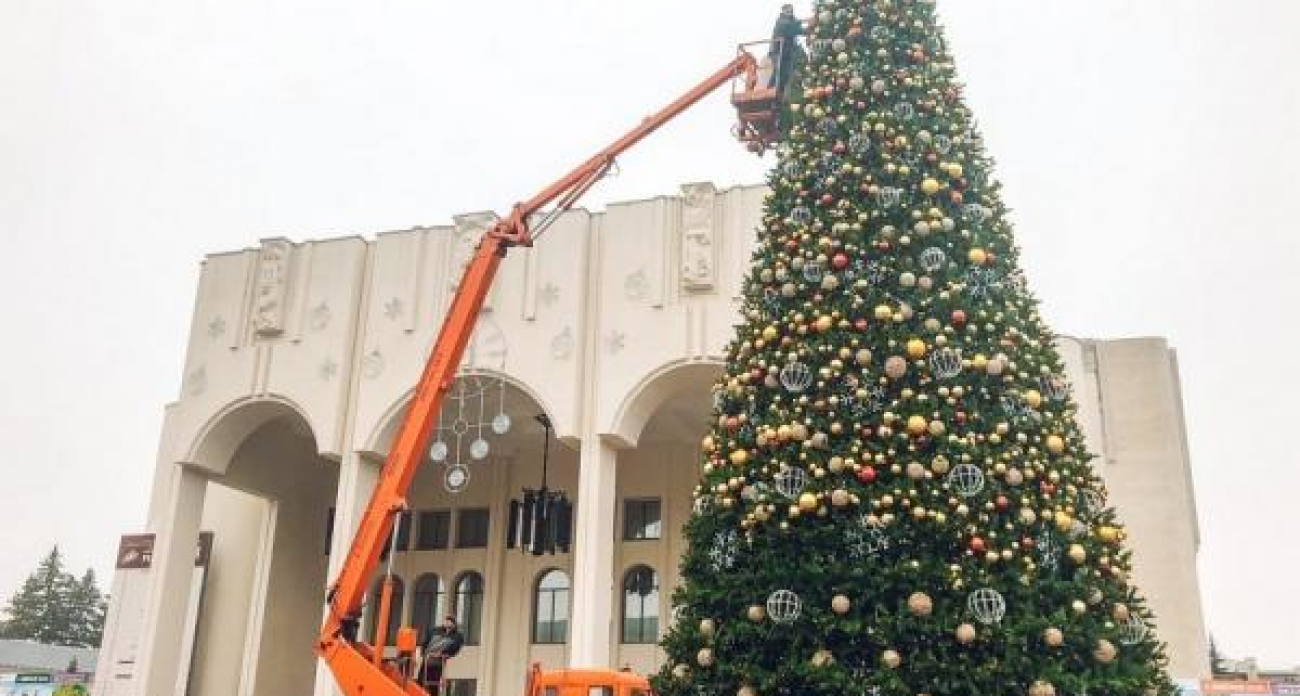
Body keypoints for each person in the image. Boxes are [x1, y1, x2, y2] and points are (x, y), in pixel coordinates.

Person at [420, 616, 465, 693]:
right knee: (421, 681)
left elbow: (455, 648)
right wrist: (423, 652)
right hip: (427, 659)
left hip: (439, 661)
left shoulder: (457, 636)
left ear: (454, 624)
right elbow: (426, 642)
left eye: (449, 621)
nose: (447, 623)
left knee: (434, 684)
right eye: (446, 621)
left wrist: (443, 653)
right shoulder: (435, 631)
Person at [769, 4, 805, 93]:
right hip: (778, 50)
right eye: (788, 11)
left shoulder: (792, 20)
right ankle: (771, 89)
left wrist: (808, 28)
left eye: (791, 11)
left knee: (786, 72)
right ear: (783, 11)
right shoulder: (781, 21)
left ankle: (779, 91)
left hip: (787, 52)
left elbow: (797, 28)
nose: (790, 12)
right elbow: (792, 29)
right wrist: (806, 24)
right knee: (779, 71)